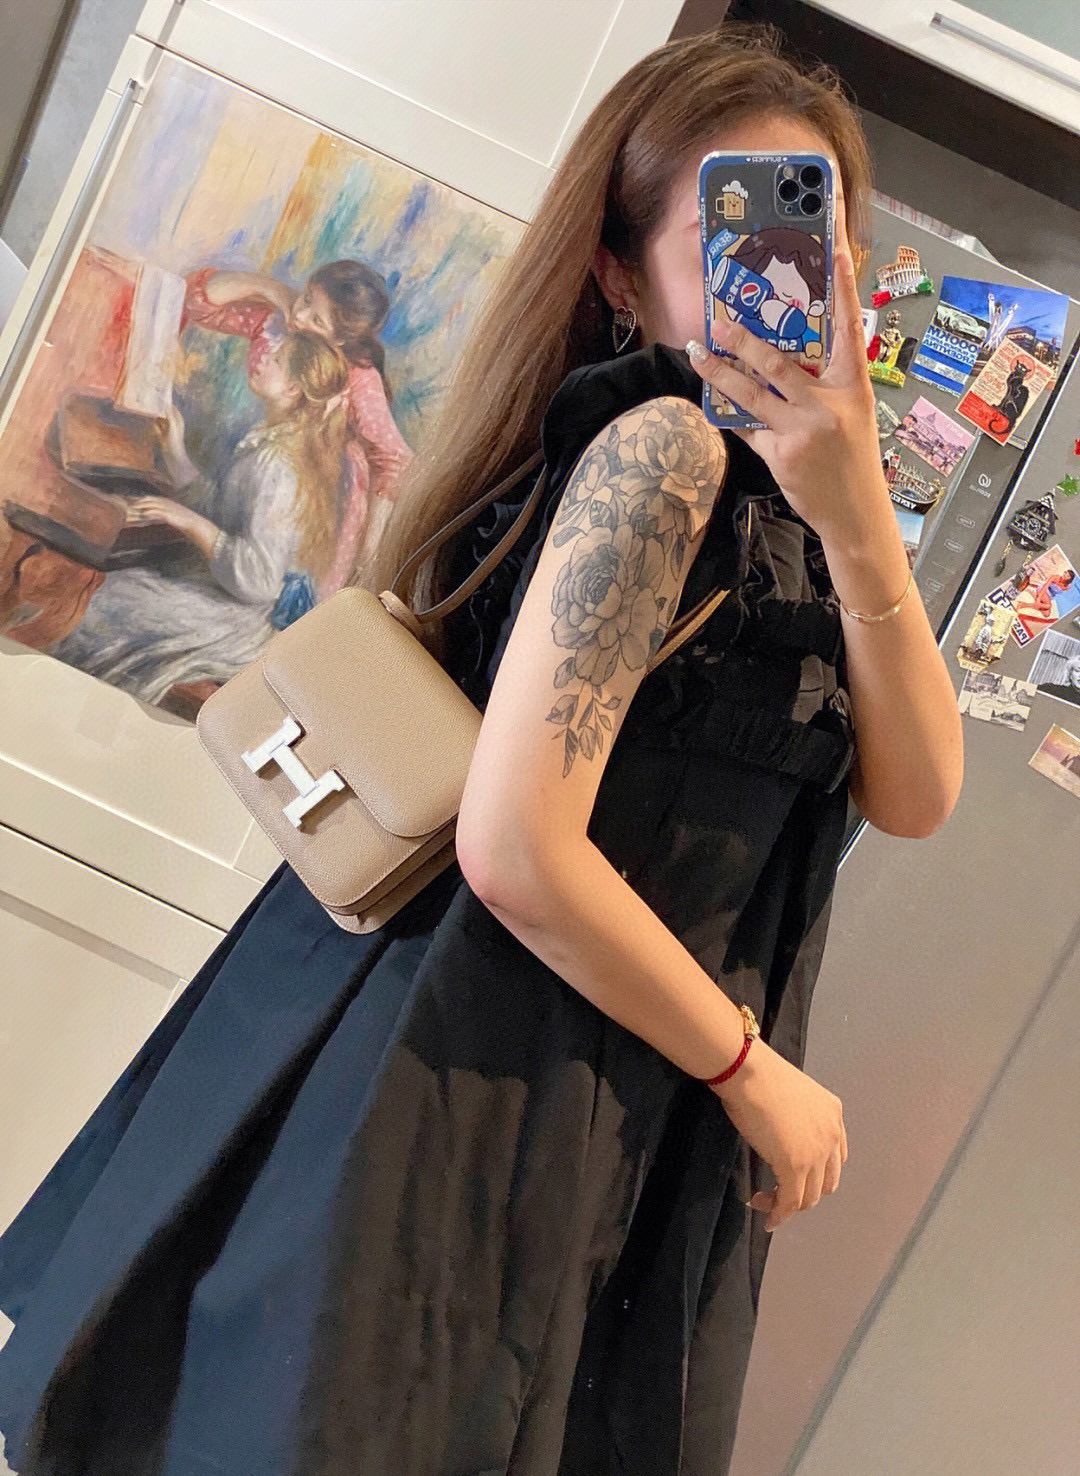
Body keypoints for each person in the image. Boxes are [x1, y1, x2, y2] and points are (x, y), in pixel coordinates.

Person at [0, 25, 962, 1476]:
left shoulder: (809, 518)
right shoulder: (661, 456)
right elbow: (514, 849)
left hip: (594, 1098)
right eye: (728, 226)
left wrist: (860, 512)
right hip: (480, 1088)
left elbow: (919, 792)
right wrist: (752, 1073)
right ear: (622, 273)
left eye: (808, 228)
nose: (778, 270)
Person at [44, 332, 349, 704]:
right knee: (104, 589)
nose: (264, 357)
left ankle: (60, 703)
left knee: (103, 605)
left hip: (237, 618)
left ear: (292, 390)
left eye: (277, 360)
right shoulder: (271, 440)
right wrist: (175, 448)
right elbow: (221, 509)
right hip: (224, 593)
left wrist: (187, 520)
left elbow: (258, 580)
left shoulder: (281, 469)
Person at [183, 256, 414, 594]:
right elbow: (197, 302)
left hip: (323, 495)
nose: (300, 316)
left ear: (340, 340)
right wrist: (270, 289)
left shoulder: (357, 376)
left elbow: (393, 460)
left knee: (295, 595)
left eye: (317, 319)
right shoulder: (281, 324)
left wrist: (369, 555)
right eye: (306, 298)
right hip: (263, 467)